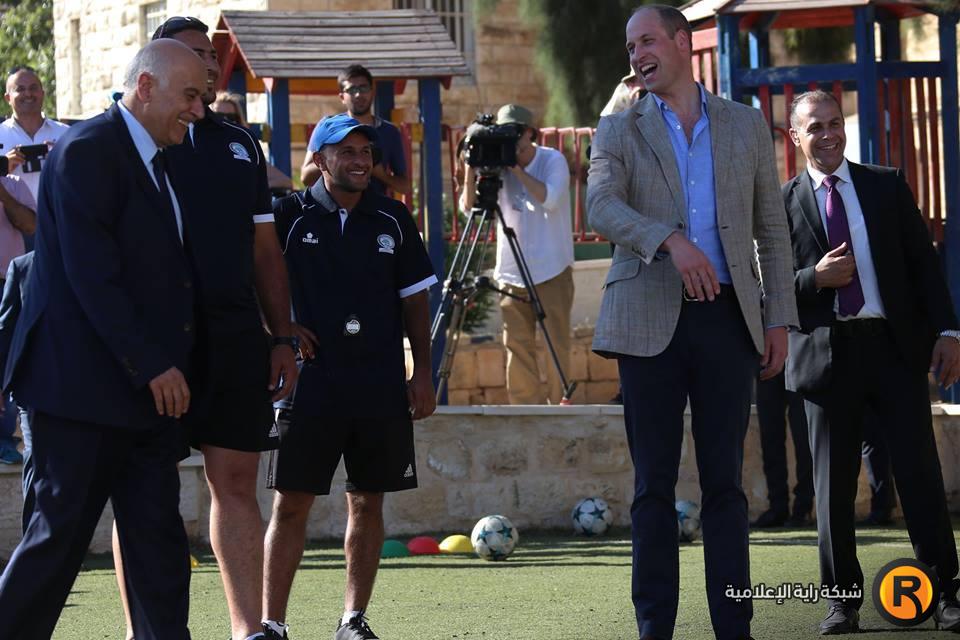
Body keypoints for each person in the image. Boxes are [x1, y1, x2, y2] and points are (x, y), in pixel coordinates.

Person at [587, 6, 797, 640]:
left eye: (647, 41)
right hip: (645, 319)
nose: (636, 55)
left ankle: (734, 625)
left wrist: (779, 320)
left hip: (729, 320)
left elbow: (772, 230)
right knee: (652, 485)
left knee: (726, 485)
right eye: (630, 47)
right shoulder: (617, 128)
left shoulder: (745, 124)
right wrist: (668, 240)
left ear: (682, 43)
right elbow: (600, 205)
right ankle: (655, 627)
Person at [0, 39, 207, 639]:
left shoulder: (164, 159)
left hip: (147, 402)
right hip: (78, 395)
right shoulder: (87, 150)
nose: (197, 110)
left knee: (159, 549)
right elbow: (93, 275)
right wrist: (152, 364)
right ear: (145, 87)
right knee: (55, 543)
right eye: (189, 95)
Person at [782, 89, 960, 634]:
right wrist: (815, 279)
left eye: (835, 123)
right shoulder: (780, 203)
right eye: (815, 127)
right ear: (795, 136)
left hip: (893, 349)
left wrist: (948, 331)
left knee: (920, 474)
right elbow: (767, 287)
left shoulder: (886, 185)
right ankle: (842, 602)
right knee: (832, 488)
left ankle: (947, 594)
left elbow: (923, 264)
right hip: (825, 356)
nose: (828, 134)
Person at [149, 16, 299, 640]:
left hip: (234, 337)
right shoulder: (133, 140)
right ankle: (145, 631)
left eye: (210, 55)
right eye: (193, 54)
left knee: (236, 483)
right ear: (156, 66)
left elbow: (265, 250)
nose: (208, 65)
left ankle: (248, 630)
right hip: (158, 341)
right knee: (146, 491)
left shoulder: (240, 144)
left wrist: (282, 337)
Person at [262, 114, 437, 640]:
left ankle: (351, 620)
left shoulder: (394, 218)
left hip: (379, 383)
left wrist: (422, 373)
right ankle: (272, 624)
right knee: (291, 503)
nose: (361, 161)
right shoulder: (285, 215)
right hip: (310, 383)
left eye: (366, 152)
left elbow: (415, 301)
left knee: (367, 500)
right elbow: (253, 282)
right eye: (347, 152)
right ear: (319, 159)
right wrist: (281, 328)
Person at [460, 104, 575, 404]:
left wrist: (515, 168)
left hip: (551, 270)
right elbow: (468, 208)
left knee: (556, 345)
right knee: (517, 347)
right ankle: (526, 413)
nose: (509, 140)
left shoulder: (552, 160)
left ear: (528, 133)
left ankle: (561, 410)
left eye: (514, 133)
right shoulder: (495, 165)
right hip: (511, 274)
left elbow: (550, 199)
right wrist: (470, 169)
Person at [300, 64, 411, 197]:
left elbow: (405, 186)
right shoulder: (327, 126)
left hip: (374, 207)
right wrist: (333, 160)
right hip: (334, 205)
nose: (358, 94)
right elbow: (305, 178)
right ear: (342, 97)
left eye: (363, 88)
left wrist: (380, 174)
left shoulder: (389, 132)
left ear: (373, 92)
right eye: (352, 90)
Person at [0, 171, 35, 464]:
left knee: (7, 353)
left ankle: (3, 437)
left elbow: (30, 225)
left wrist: (2, 193)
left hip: (6, 282)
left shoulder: (13, 184)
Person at [751, 372, 813, 527]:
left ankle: (803, 508)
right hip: (766, 365)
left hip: (798, 365)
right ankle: (777, 508)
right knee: (770, 440)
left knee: (804, 440)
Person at [0, 66, 70, 200]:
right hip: (10, 213)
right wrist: (3, 166)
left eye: (33, 88)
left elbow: (85, 177)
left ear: (42, 93)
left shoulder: (66, 134)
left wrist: (64, 159)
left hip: (57, 212)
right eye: (20, 89)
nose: (28, 94)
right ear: (8, 98)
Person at [211, 90, 293, 195]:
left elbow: (285, 181)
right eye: (219, 116)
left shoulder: (245, 152)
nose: (225, 121)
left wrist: (249, 187)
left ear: (239, 121)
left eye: (231, 117)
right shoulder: (200, 146)